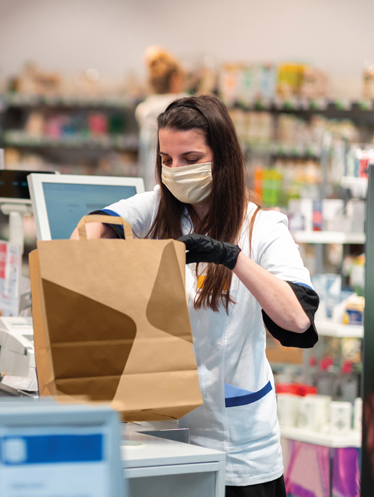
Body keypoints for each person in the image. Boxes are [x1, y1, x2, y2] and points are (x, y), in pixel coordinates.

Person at [73, 94, 319, 497]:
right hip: (160, 437)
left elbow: (297, 322)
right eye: (166, 160)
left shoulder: (263, 227)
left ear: (222, 157)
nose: (175, 171)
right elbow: (88, 230)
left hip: (238, 445)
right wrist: (98, 251)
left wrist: (232, 258)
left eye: (189, 159)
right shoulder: (157, 209)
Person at [136, 46, 186, 190]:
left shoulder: (143, 110)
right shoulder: (184, 106)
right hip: (175, 187)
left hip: (148, 185)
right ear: (175, 79)